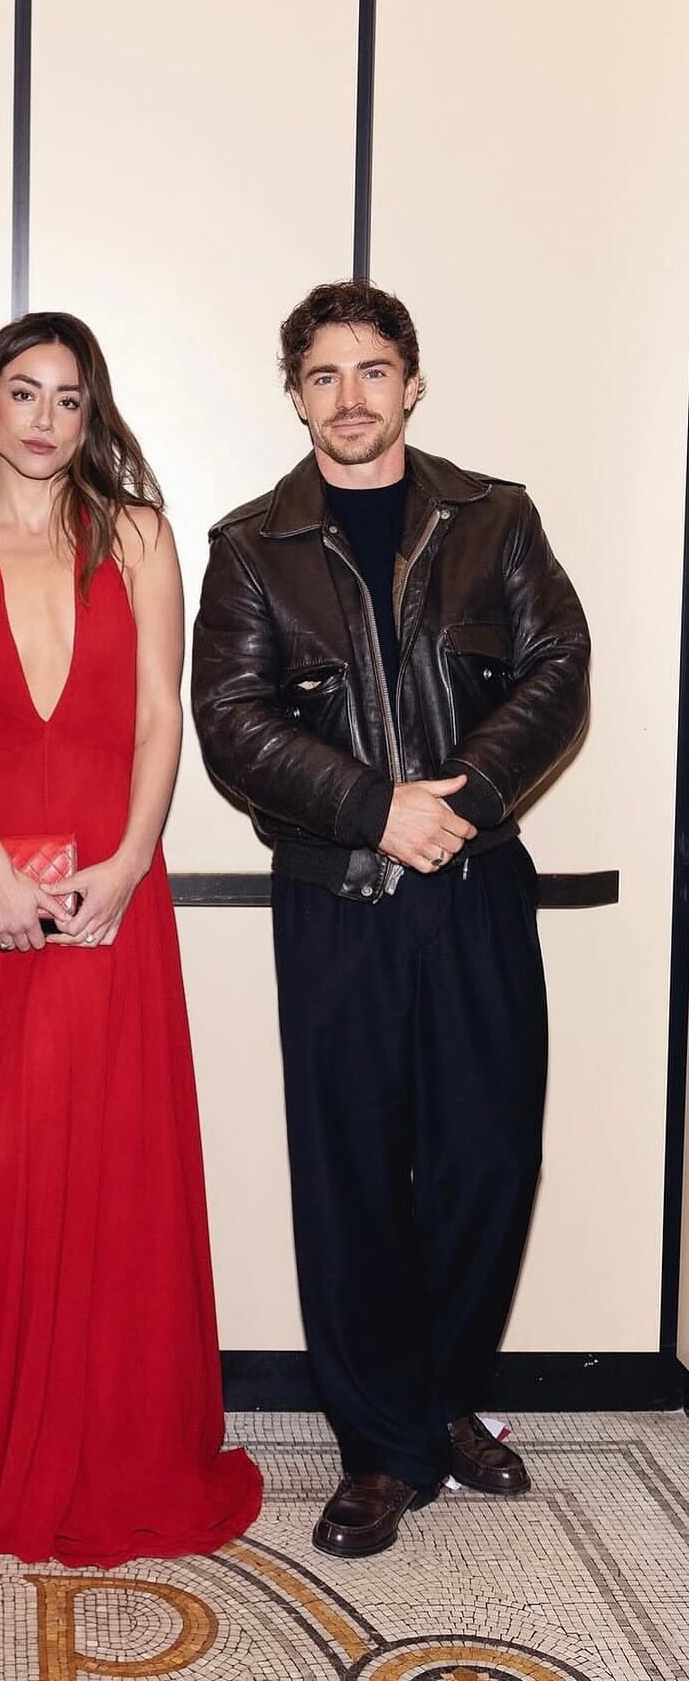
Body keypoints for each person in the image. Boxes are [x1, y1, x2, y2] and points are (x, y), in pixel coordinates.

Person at [192, 280, 589, 1558]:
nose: (350, 396)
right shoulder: (250, 547)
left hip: (476, 885)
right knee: (353, 1174)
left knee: (488, 1159)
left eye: (372, 370)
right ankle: (380, 1447)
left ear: (411, 384)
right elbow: (230, 720)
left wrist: (456, 801)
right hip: (339, 900)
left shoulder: (497, 518)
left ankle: (438, 1400)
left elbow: (559, 668)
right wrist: (376, 810)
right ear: (296, 395)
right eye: (324, 374)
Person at [0, 312, 262, 1564]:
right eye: (23, 392)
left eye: (70, 397)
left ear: (93, 416)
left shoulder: (139, 534)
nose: (45, 417)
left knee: (101, 1160)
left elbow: (159, 719)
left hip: (109, 876)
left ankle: (105, 1439)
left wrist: (132, 863)